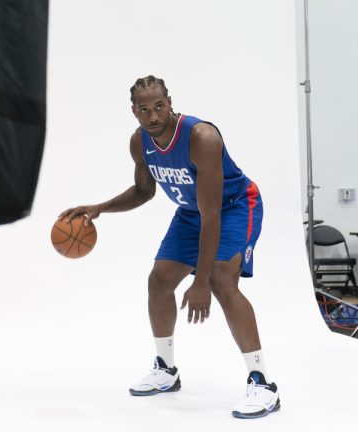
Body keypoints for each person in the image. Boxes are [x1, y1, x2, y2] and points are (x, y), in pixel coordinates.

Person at [59, 75, 280, 419]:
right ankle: (166, 369)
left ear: (170, 102)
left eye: (159, 106)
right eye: (144, 109)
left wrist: (201, 281)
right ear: (134, 112)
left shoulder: (201, 138)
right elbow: (144, 192)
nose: (153, 116)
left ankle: (262, 382)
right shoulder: (139, 143)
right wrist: (99, 207)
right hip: (193, 212)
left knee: (222, 279)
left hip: (235, 206)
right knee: (159, 280)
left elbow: (213, 216)